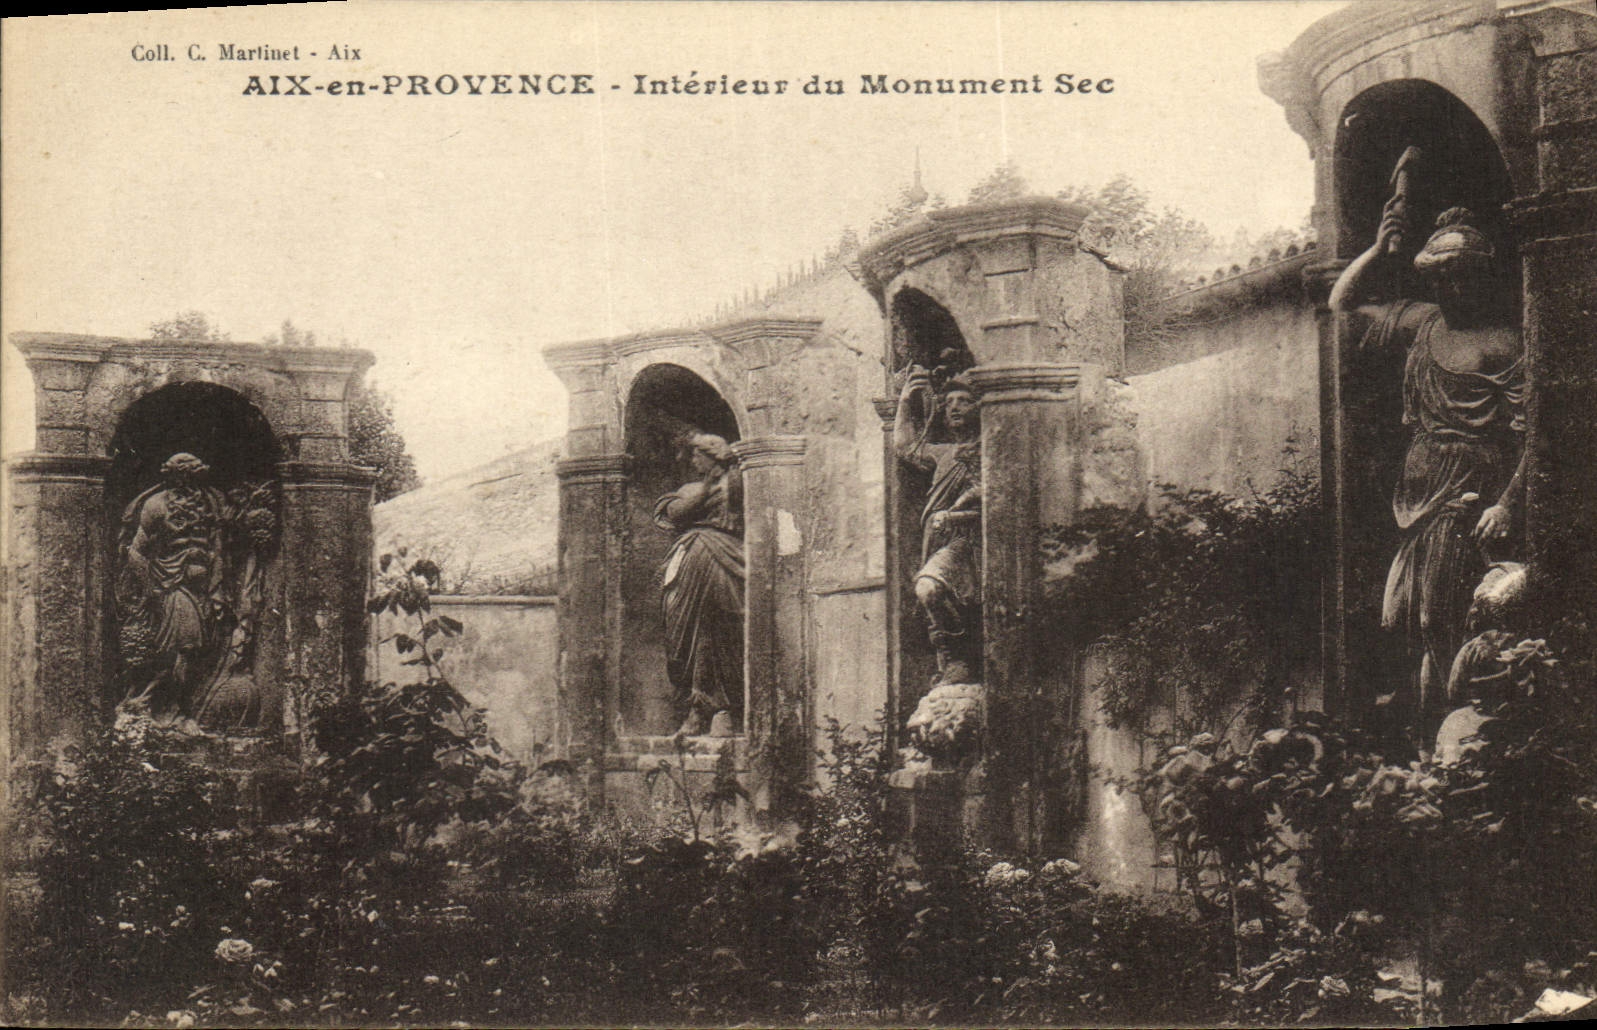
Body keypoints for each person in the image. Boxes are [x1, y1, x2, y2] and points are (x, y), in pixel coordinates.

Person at [1331, 200, 1525, 736]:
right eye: (1441, 278)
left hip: (1469, 492)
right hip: (1415, 495)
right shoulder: (1422, 323)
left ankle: (1461, 732)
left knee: (1442, 616)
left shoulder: (1502, 342)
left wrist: (1507, 504)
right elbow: (1342, 307)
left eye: (1463, 277)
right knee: (1407, 620)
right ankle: (1430, 738)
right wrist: (1376, 250)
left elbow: (1534, 433)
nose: (1453, 288)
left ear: (1482, 277)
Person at [116, 452, 225, 723]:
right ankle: (171, 711)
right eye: (181, 476)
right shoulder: (155, 505)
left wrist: (217, 585)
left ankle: (154, 706)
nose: (187, 482)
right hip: (170, 587)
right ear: (172, 476)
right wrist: (149, 589)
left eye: (193, 476)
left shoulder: (211, 502)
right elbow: (136, 552)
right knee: (184, 647)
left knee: (192, 651)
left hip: (202, 589)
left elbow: (219, 544)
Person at [895, 365, 982, 685]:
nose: (955, 407)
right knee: (931, 592)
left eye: (964, 401)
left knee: (928, 587)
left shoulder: (988, 449)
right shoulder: (945, 453)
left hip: (971, 541)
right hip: (939, 539)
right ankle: (949, 661)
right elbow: (905, 448)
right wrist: (905, 402)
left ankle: (959, 656)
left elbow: (993, 499)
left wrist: (954, 516)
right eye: (949, 402)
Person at [655, 433, 745, 735]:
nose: (693, 461)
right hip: (690, 563)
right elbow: (675, 513)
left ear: (713, 456)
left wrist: (729, 475)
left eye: (697, 455)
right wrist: (707, 488)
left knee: (723, 632)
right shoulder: (692, 489)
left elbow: (742, 499)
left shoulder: (737, 484)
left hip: (726, 560)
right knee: (681, 633)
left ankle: (720, 710)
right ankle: (695, 707)